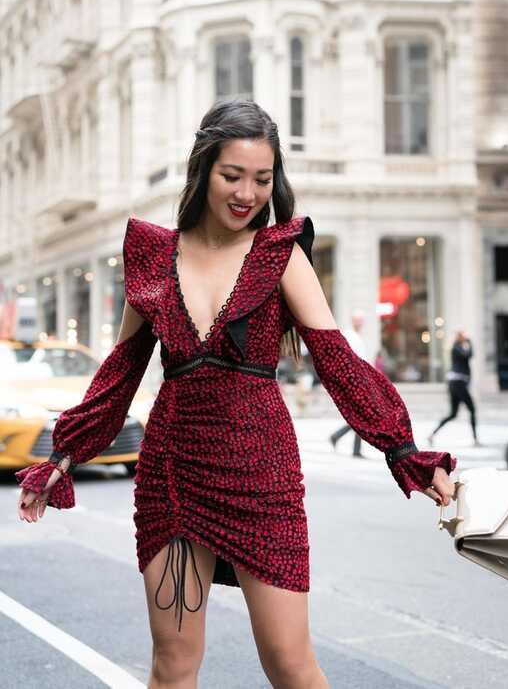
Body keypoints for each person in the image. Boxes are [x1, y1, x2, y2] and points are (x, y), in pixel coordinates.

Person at [16, 100, 457, 689]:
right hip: (173, 473)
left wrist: (404, 452)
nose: (247, 192)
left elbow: (337, 360)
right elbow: (120, 373)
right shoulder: (153, 255)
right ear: (203, 171)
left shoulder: (280, 255)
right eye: (232, 175)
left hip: (260, 473)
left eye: (262, 179)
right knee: (173, 666)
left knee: (291, 664)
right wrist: (63, 457)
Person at [428, 330, 481, 447]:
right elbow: (469, 355)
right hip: (458, 383)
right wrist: (470, 343)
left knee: (453, 414)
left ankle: (432, 434)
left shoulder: (458, 347)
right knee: (472, 409)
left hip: (456, 383)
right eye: (463, 336)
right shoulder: (456, 348)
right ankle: (475, 439)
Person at [329, 309, 368, 456]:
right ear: (353, 321)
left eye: (362, 321)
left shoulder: (357, 336)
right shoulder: (350, 336)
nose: (360, 323)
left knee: (361, 415)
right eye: (358, 320)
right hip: (354, 381)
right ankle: (344, 441)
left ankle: (341, 439)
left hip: (360, 380)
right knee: (361, 415)